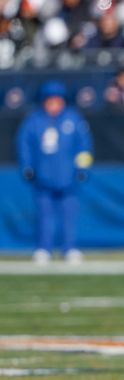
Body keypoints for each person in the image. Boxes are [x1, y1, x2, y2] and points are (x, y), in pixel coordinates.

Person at [16, 80, 93, 265]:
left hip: (68, 178)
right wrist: (27, 167)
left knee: (68, 216)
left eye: (57, 100)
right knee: (44, 216)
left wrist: (83, 168)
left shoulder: (74, 119)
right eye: (50, 100)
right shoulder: (34, 121)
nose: (54, 104)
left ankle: (69, 248)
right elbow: (24, 145)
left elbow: (84, 145)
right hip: (43, 178)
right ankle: (44, 248)